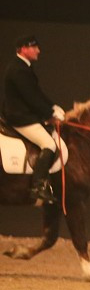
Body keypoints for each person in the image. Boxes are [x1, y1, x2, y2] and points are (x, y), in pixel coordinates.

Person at [2, 34, 66, 205]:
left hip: (25, 115)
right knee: (50, 145)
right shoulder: (18, 70)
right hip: (21, 118)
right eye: (34, 47)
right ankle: (38, 186)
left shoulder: (23, 67)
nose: (38, 50)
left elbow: (37, 94)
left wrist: (53, 106)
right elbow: (31, 97)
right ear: (24, 48)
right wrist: (49, 114)